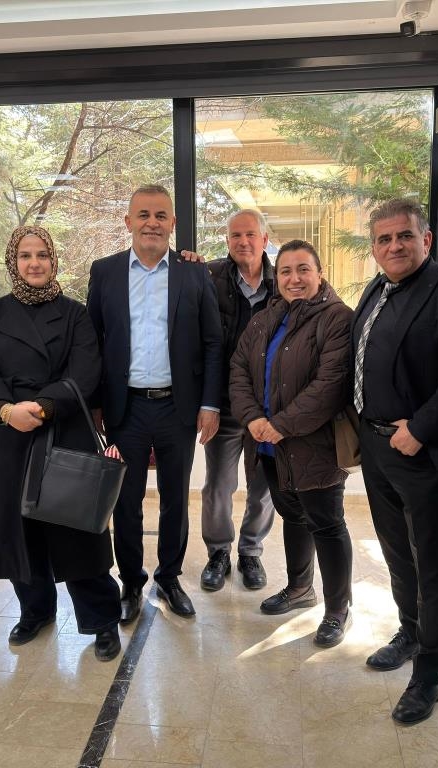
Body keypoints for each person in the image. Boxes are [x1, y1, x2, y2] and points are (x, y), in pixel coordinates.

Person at [353, 199, 438, 724]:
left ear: (426, 239)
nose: (394, 246)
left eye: (404, 236)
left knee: (432, 563)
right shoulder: (376, 289)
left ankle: (430, 674)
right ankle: (410, 632)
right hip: (376, 447)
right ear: (374, 248)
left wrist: (419, 429)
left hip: (423, 451)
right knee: (396, 552)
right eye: (384, 239)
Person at [0, 224, 122, 661]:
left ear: (54, 260)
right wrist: (5, 410)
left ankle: (102, 621)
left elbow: (86, 372)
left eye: (42, 255)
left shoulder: (75, 314)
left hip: (61, 429)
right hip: (6, 435)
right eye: (25, 256)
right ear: (13, 263)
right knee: (20, 532)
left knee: (77, 532)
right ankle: (36, 611)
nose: (34, 263)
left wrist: (44, 406)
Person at [87, 184, 222, 623]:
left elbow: (213, 342)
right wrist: (95, 404)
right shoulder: (104, 272)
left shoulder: (193, 273)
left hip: (177, 408)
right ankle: (131, 581)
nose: (152, 222)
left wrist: (210, 403)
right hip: (124, 409)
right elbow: (92, 342)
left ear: (173, 223)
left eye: (161, 215)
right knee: (125, 501)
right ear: (128, 222)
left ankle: (169, 577)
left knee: (174, 499)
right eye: (143, 214)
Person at [229, 239, 354, 648]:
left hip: (315, 447)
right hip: (268, 446)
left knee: (327, 525)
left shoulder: (337, 319)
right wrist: (253, 419)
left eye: (303, 269)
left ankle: (338, 609)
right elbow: (238, 371)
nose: (294, 278)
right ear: (276, 277)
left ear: (320, 273)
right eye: (285, 271)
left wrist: (280, 425)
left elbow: (330, 385)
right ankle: (300, 588)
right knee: (293, 518)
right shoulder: (265, 318)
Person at [199, 209, 276, 592]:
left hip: (268, 409)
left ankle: (250, 552)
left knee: (263, 487)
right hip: (226, 406)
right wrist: (208, 405)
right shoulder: (209, 276)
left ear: (265, 239)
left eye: (250, 235)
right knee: (218, 486)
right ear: (227, 241)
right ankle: (218, 553)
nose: (243, 242)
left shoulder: (283, 281)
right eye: (235, 236)